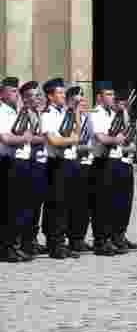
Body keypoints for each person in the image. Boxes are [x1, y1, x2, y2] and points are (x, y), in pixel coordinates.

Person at [40, 78, 81, 259]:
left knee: (67, 204)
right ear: (50, 96)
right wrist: (71, 140)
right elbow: (54, 141)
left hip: (69, 162)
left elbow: (77, 133)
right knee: (56, 204)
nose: (64, 96)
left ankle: (61, 241)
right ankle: (54, 243)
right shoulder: (47, 114)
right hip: (56, 163)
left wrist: (76, 111)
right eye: (60, 93)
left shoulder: (65, 113)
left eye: (64, 93)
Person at [88, 82, 128, 256]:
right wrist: (117, 139)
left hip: (115, 160)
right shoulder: (95, 114)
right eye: (108, 94)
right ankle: (100, 241)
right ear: (99, 97)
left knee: (114, 203)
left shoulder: (114, 113)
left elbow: (124, 133)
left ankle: (111, 238)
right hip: (102, 161)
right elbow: (101, 138)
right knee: (102, 204)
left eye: (113, 94)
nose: (112, 98)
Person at [0, 76, 33, 262]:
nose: (16, 95)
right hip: (6, 162)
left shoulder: (16, 111)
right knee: (8, 207)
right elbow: (5, 138)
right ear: (2, 93)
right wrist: (24, 138)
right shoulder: (2, 111)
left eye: (17, 91)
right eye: (12, 91)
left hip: (18, 163)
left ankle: (14, 244)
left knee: (18, 207)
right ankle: (6, 248)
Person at [20, 82, 49, 257]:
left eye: (38, 95)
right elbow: (30, 138)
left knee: (37, 204)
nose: (35, 99)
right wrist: (48, 137)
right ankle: (25, 241)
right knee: (28, 204)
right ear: (23, 98)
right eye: (31, 96)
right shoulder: (24, 115)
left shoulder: (40, 113)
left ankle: (32, 239)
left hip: (42, 162)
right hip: (30, 163)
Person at [110, 90, 137, 250]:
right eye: (120, 104)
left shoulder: (126, 118)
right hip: (116, 163)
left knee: (126, 201)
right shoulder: (112, 118)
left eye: (125, 104)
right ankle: (114, 235)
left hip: (127, 162)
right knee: (116, 201)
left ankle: (121, 233)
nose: (123, 107)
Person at [66, 86, 94, 253]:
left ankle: (80, 237)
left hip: (88, 163)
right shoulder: (70, 117)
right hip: (75, 164)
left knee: (86, 205)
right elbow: (74, 140)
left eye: (83, 100)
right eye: (78, 101)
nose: (82, 103)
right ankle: (73, 238)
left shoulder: (87, 118)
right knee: (75, 204)